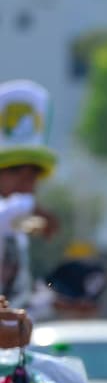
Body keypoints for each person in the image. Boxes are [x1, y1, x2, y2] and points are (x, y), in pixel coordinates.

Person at [0, 79, 62, 309]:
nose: (27, 185)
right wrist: (36, 209)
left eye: (32, 177)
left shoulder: (16, 231)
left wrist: (52, 301)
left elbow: (16, 298)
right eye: (16, 172)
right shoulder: (12, 214)